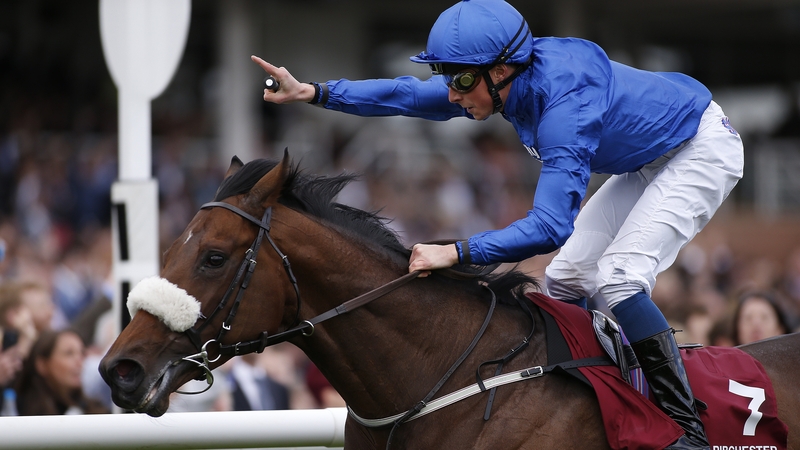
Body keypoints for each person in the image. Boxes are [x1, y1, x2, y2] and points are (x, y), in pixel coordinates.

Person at [251, 1, 743, 448]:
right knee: (566, 278)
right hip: (648, 158)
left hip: (699, 149)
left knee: (618, 277)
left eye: (461, 81)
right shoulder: (504, 80)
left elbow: (551, 227)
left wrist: (458, 251)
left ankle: (688, 430)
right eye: (448, 76)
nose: (451, 92)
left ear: (502, 69)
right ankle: (589, 388)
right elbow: (409, 95)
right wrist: (315, 92)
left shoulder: (563, 110)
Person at [15, 328, 108, 415]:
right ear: (42, 364)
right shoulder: (17, 411)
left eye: (82, 353)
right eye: (69, 353)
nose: (79, 362)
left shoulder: (96, 411)